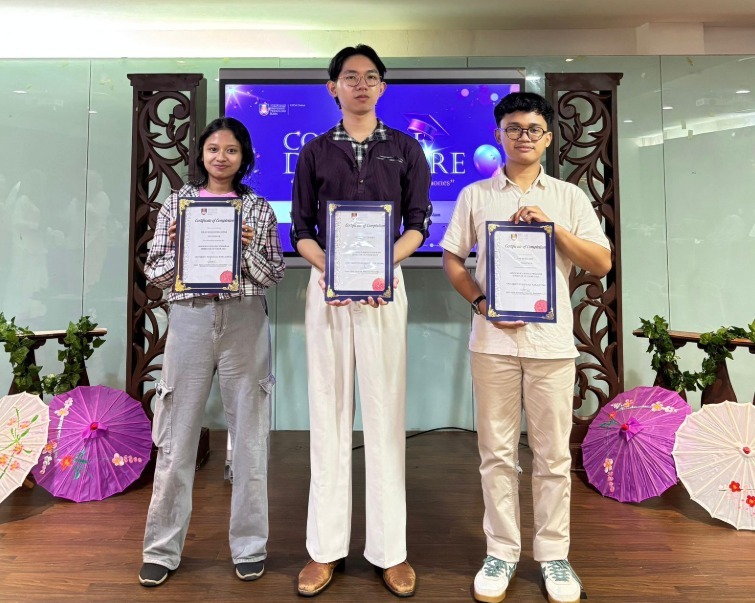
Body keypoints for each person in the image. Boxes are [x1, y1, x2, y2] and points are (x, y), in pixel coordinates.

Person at [440, 92, 611, 603]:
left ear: (548, 137)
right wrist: (481, 303)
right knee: (495, 453)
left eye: (533, 129)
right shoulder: (475, 195)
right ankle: (501, 551)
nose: (524, 137)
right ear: (498, 136)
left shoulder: (568, 197)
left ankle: (554, 555)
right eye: (513, 128)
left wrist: (554, 231)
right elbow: (452, 259)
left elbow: (600, 262)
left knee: (553, 455)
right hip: (493, 343)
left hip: (551, 345)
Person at [291, 44, 431, 598]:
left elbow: (418, 224)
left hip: (384, 288)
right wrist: (334, 269)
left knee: (384, 412)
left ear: (383, 87)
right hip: (326, 286)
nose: (361, 85)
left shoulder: (405, 148)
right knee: (327, 413)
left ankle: (389, 551)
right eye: (350, 77)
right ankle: (324, 549)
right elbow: (301, 230)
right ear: (333, 87)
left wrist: (377, 267)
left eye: (371, 77)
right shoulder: (314, 151)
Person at [139, 117, 285, 587]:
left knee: (251, 440)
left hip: (244, 320)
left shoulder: (257, 208)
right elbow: (154, 273)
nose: (222, 157)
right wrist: (179, 246)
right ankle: (161, 549)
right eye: (214, 149)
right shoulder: (177, 204)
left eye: (232, 150)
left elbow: (273, 274)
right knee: (176, 437)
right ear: (201, 155)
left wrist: (246, 249)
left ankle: (250, 546)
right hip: (191, 319)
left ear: (244, 158)